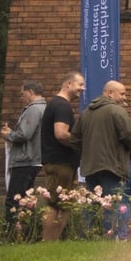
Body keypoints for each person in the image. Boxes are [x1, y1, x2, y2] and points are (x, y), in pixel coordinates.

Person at [80, 80, 131, 240]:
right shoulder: (117, 111)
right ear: (110, 93)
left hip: (90, 167)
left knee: (91, 204)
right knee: (115, 203)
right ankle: (116, 237)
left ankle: (87, 236)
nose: (124, 97)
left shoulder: (86, 113)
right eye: (122, 93)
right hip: (113, 167)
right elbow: (130, 137)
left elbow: (74, 139)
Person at [37, 71, 85, 242]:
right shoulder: (62, 106)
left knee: (60, 204)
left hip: (57, 161)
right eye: (80, 84)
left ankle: (51, 242)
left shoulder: (56, 104)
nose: (83, 88)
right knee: (58, 204)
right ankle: (49, 242)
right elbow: (61, 134)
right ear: (68, 84)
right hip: (61, 163)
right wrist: (81, 143)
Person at [0, 80, 46, 223]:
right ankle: (28, 233)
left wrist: (8, 135)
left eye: (22, 94)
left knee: (14, 200)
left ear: (30, 92)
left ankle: (11, 234)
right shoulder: (44, 108)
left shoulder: (33, 109)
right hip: (35, 159)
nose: (21, 97)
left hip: (25, 160)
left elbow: (25, 134)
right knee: (27, 201)